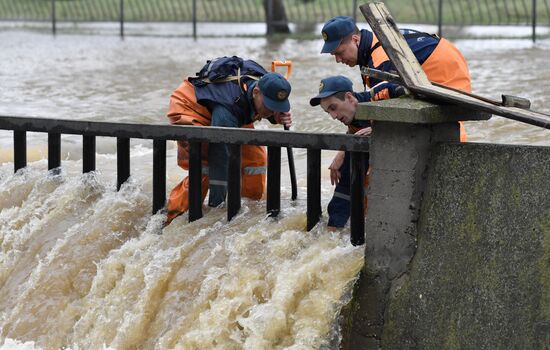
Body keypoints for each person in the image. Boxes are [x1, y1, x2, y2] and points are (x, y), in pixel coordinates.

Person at [165, 56, 292, 224]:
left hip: (230, 112)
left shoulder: (263, 83)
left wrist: (277, 116)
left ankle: (248, 209)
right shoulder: (229, 109)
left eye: (277, 106)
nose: (272, 109)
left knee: (256, 159)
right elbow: (219, 157)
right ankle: (173, 216)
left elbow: (258, 108)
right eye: (270, 106)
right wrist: (217, 211)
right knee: (206, 167)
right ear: (256, 92)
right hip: (190, 106)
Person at [319, 15, 471, 141]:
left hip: (447, 83)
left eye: (340, 52)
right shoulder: (372, 45)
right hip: (442, 71)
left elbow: (384, 106)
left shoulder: (380, 59)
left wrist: (376, 129)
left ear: (355, 40)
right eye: (334, 55)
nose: (338, 60)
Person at [309, 75, 403, 228]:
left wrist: (381, 128)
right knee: (345, 173)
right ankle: (333, 231)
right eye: (328, 112)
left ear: (349, 98)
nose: (333, 116)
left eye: (333, 108)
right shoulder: (352, 118)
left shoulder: (385, 91)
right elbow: (354, 131)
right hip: (370, 156)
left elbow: (418, 101)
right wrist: (343, 150)